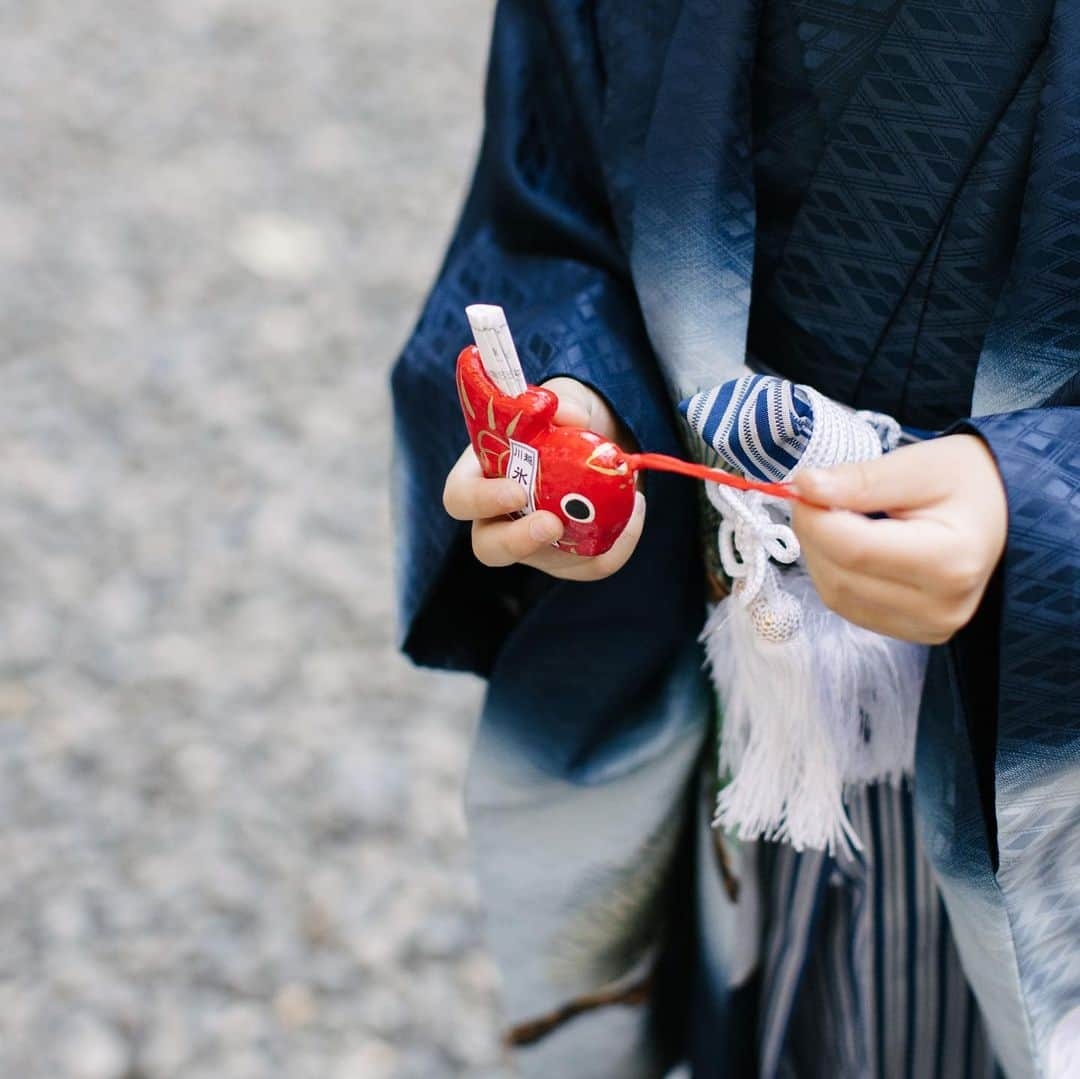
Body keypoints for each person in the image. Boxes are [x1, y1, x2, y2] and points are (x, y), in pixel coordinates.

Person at [391, 2, 1079, 1076]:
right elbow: (546, 196)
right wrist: (585, 412)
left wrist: (1038, 507)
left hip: (1036, 740)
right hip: (740, 678)